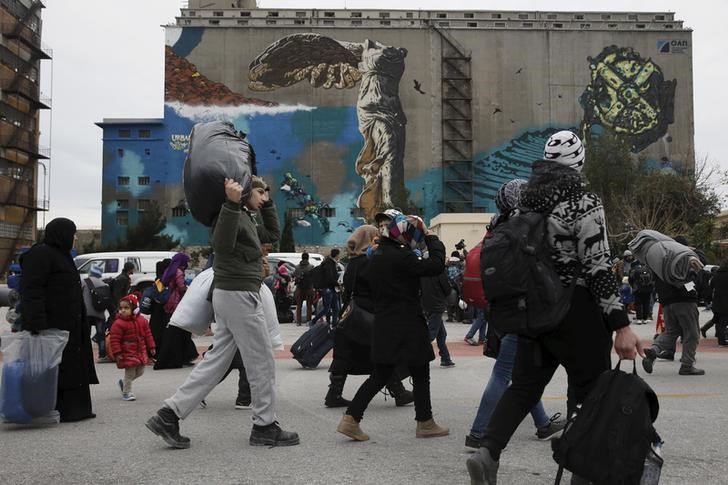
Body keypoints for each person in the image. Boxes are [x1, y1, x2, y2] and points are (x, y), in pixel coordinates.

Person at [466, 130, 643, 485]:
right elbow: (596, 265)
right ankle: (582, 472)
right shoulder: (583, 199)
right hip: (576, 310)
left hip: (533, 310)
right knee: (589, 392)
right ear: (579, 160)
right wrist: (621, 324)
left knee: (524, 386)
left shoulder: (526, 200)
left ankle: (488, 451)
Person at [146, 175, 299, 448]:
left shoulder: (244, 216)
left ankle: (168, 415)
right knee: (261, 362)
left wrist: (267, 203)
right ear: (242, 193)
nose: (264, 197)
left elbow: (272, 235)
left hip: (233, 294)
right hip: (238, 294)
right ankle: (265, 426)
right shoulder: (229, 214)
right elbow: (222, 246)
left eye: (267, 193)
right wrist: (230, 203)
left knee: (215, 363)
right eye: (261, 192)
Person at [465, 179, 566, 452]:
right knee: (504, 373)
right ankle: (478, 433)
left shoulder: (498, 225)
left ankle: (543, 424)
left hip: (502, 307)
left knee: (524, 372)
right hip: (524, 310)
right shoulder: (526, 229)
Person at [336, 212, 449, 441]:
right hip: (407, 322)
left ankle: (351, 419)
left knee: (380, 375)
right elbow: (436, 265)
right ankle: (425, 422)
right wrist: (431, 237)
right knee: (420, 373)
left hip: (385, 322)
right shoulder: (402, 257)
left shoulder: (377, 255)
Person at [325, 224, 414, 408]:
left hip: (350, 315)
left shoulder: (352, 263)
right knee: (382, 353)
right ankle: (398, 392)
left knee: (343, 355)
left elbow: (347, 291)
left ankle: (334, 394)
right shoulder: (370, 262)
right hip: (369, 313)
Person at [19, 217, 99, 422]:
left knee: (74, 366)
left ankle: (76, 410)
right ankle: (55, 409)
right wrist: (36, 323)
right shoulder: (41, 254)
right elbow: (31, 290)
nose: (75, 237)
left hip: (70, 324)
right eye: (73, 234)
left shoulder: (63, 255)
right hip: (52, 325)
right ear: (62, 234)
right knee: (60, 368)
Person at [642, 245, 706, 376]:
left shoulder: (661, 261)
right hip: (685, 300)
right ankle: (687, 365)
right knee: (692, 333)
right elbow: (702, 262)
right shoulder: (684, 257)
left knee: (671, 332)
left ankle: (654, 350)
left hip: (667, 302)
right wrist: (693, 250)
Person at [154, 252, 199, 369]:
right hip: (176, 302)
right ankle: (181, 357)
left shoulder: (170, 269)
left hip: (168, 303)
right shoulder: (178, 271)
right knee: (179, 331)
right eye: (187, 261)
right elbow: (181, 287)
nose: (188, 263)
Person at [108, 294, 156, 401]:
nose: (122, 310)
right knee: (130, 373)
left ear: (135, 309)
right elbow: (114, 339)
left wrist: (151, 346)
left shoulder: (142, 320)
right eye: (120, 308)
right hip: (127, 352)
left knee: (140, 371)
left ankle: (124, 383)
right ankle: (127, 392)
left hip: (140, 351)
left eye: (126, 308)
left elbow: (148, 334)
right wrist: (117, 353)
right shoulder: (118, 323)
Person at [421, 268, 456, 367]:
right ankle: (416, 357)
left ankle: (446, 358)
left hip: (426, 304)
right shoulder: (438, 271)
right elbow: (447, 289)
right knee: (431, 334)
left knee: (441, 334)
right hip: (437, 304)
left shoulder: (422, 271)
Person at [82, 264, 113, 362]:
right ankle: (102, 355)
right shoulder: (104, 284)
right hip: (99, 313)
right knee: (101, 334)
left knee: (84, 334)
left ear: (90, 272)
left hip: (86, 312)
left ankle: (85, 355)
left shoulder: (84, 282)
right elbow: (108, 301)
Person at [310, 248, 341, 326]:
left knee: (335, 308)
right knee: (327, 308)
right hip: (328, 288)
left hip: (331, 288)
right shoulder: (329, 264)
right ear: (337, 255)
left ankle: (334, 325)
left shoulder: (331, 263)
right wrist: (337, 284)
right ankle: (314, 320)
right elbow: (329, 277)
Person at [708, 261, 728, 346]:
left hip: (717, 302)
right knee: (723, 322)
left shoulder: (716, 276)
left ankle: (721, 340)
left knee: (719, 321)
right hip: (726, 302)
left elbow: (711, 287)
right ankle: (722, 341)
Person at [292, 252, 315, 325]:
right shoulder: (311, 266)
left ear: (301, 258)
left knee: (299, 305)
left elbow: (294, 276)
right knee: (309, 306)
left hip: (299, 288)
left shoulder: (297, 267)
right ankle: (308, 321)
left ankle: (298, 322)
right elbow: (313, 277)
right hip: (309, 287)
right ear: (308, 258)